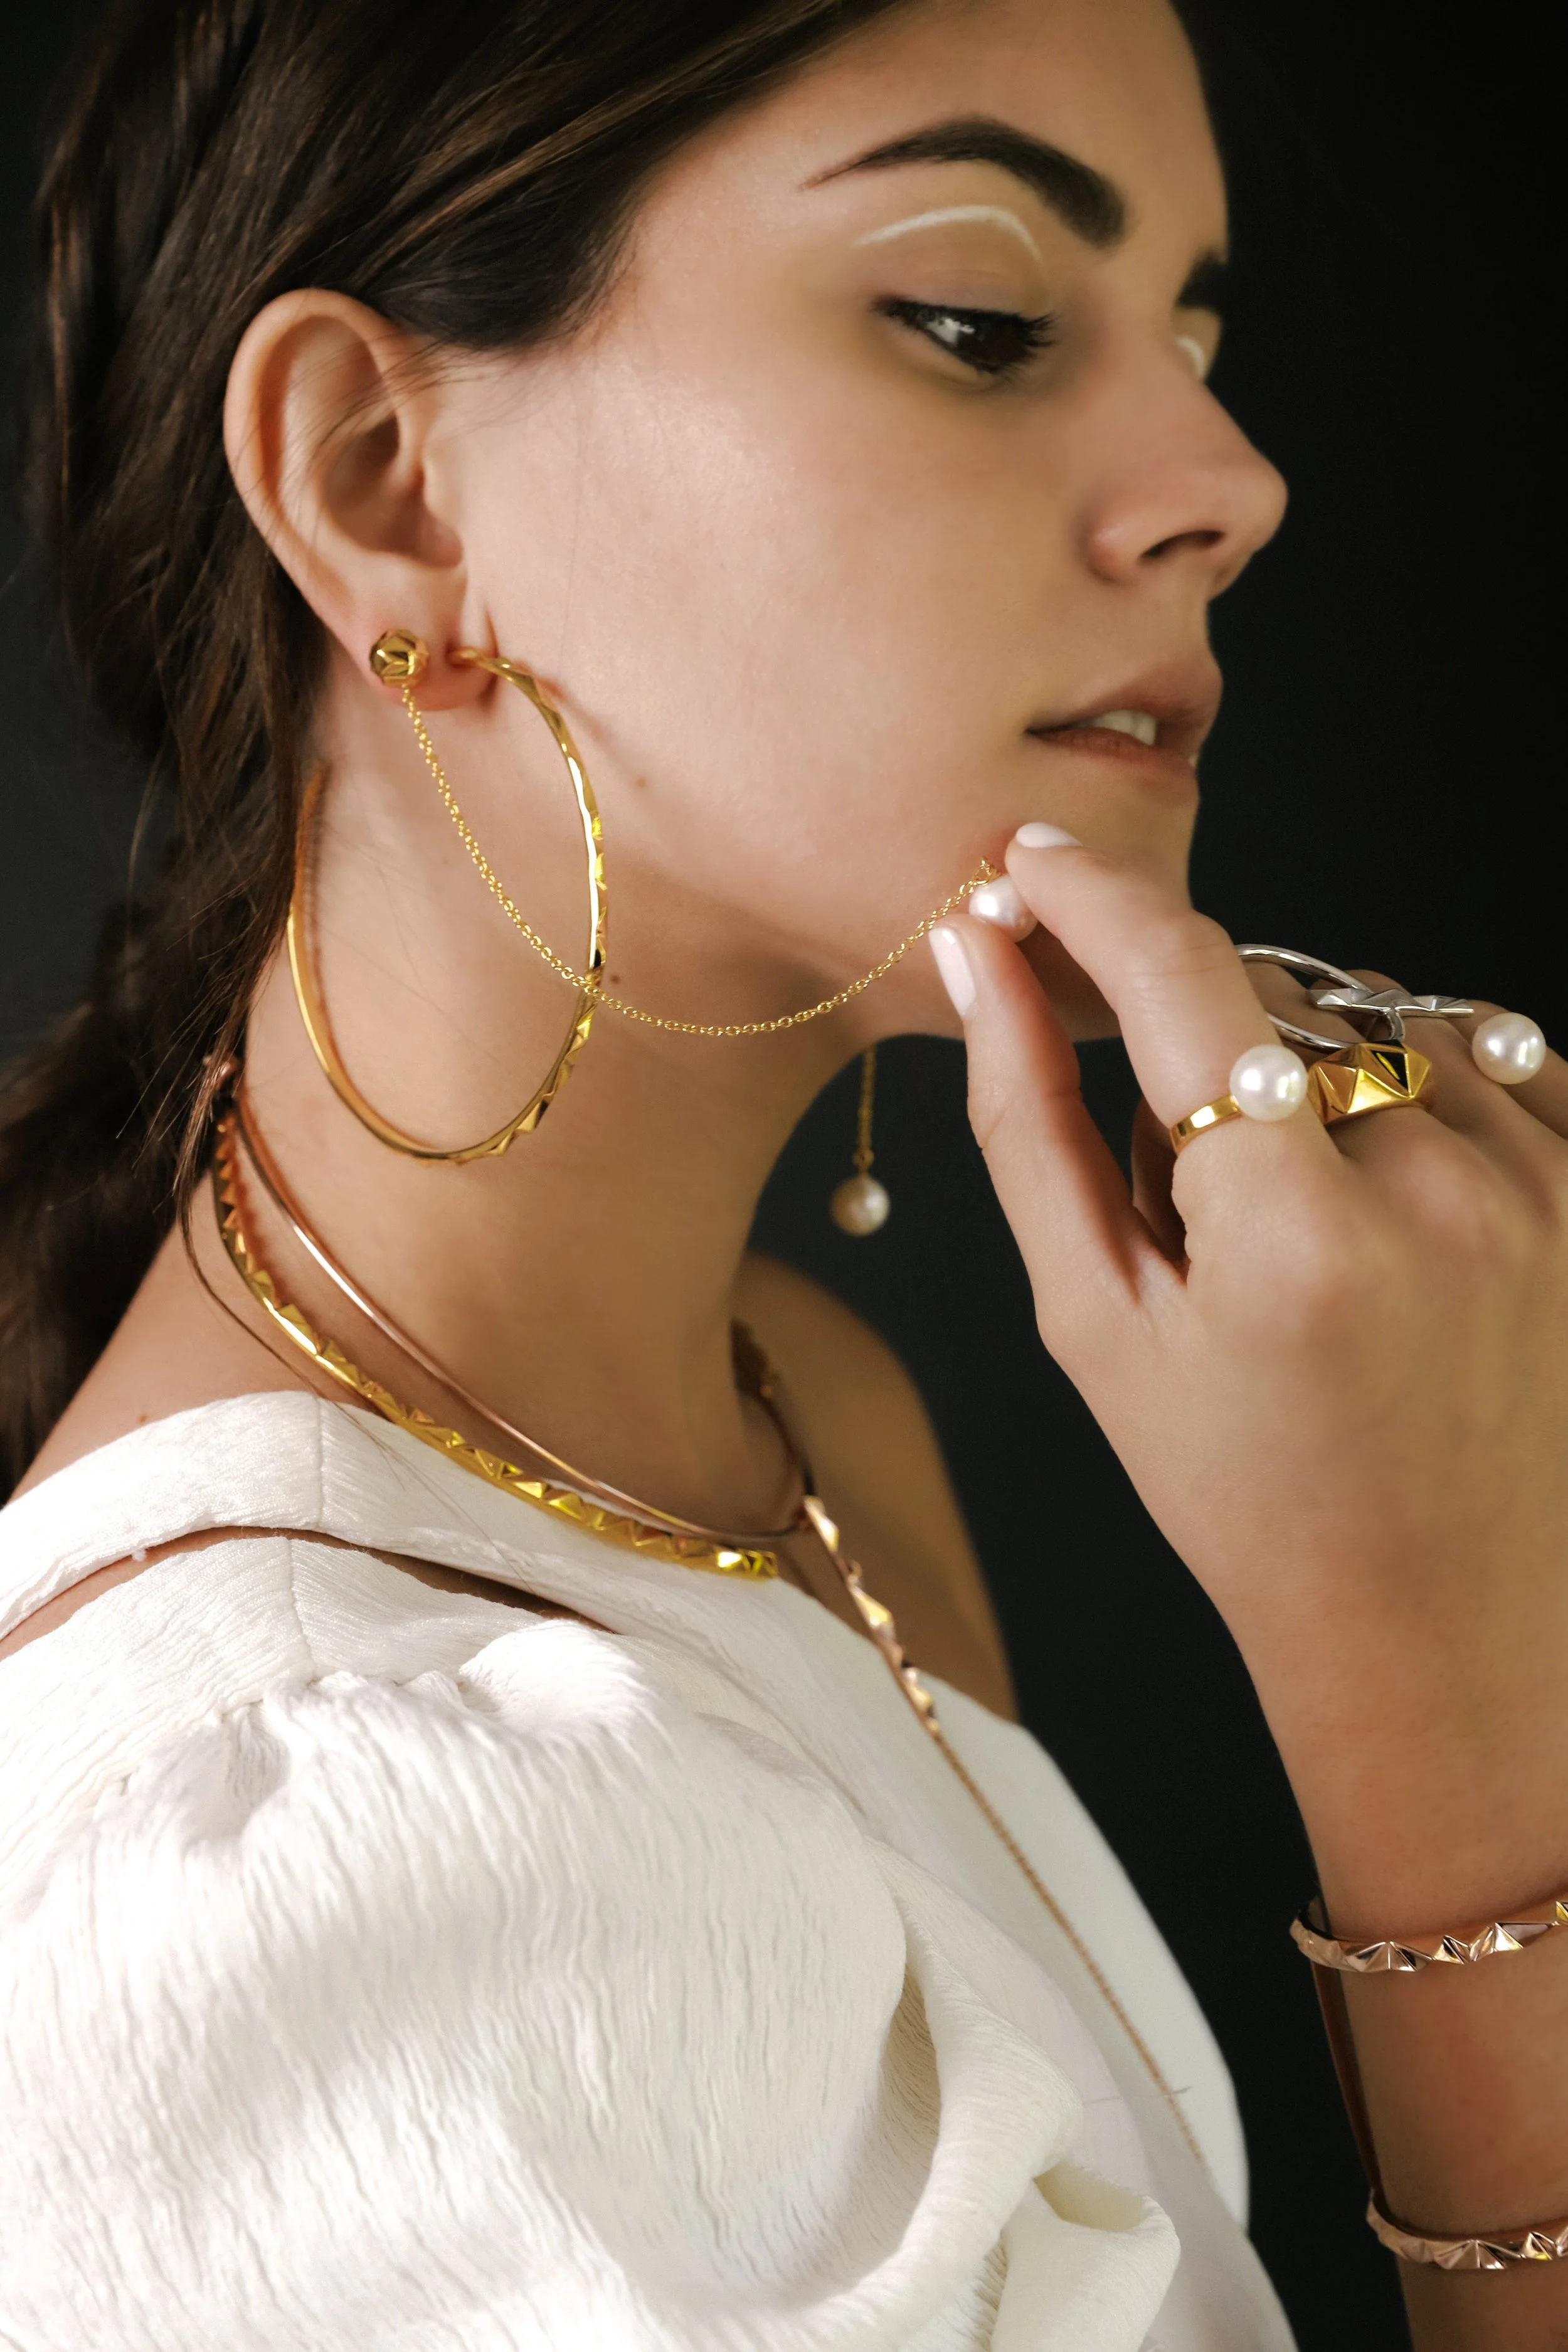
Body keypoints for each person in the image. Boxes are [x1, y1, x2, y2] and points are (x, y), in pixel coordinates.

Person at [0, 0, 1562, 2343]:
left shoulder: (792, 1427)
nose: (1227, 479)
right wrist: (1459, 1742)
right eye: (982, 319)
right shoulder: (332, 1891)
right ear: (382, 483)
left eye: (1195, 335)